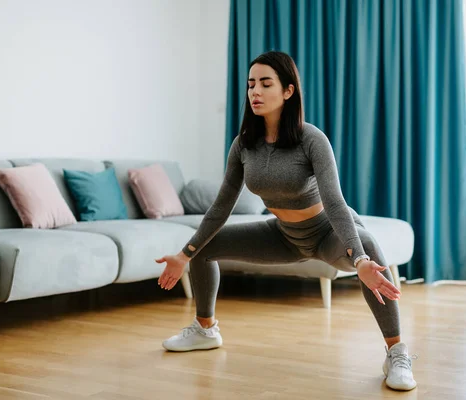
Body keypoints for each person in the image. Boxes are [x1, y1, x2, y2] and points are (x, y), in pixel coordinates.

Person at [155, 51, 417, 391]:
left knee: (367, 246)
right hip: (283, 235)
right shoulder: (243, 146)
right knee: (203, 247)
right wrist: (185, 253)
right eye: (251, 84)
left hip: (326, 233)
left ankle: (396, 352)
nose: (255, 92)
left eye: (266, 83)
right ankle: (205, 329)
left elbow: (336, 202)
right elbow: (221, 206)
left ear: (288, 91)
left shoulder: (311, 140)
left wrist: (360, 258)